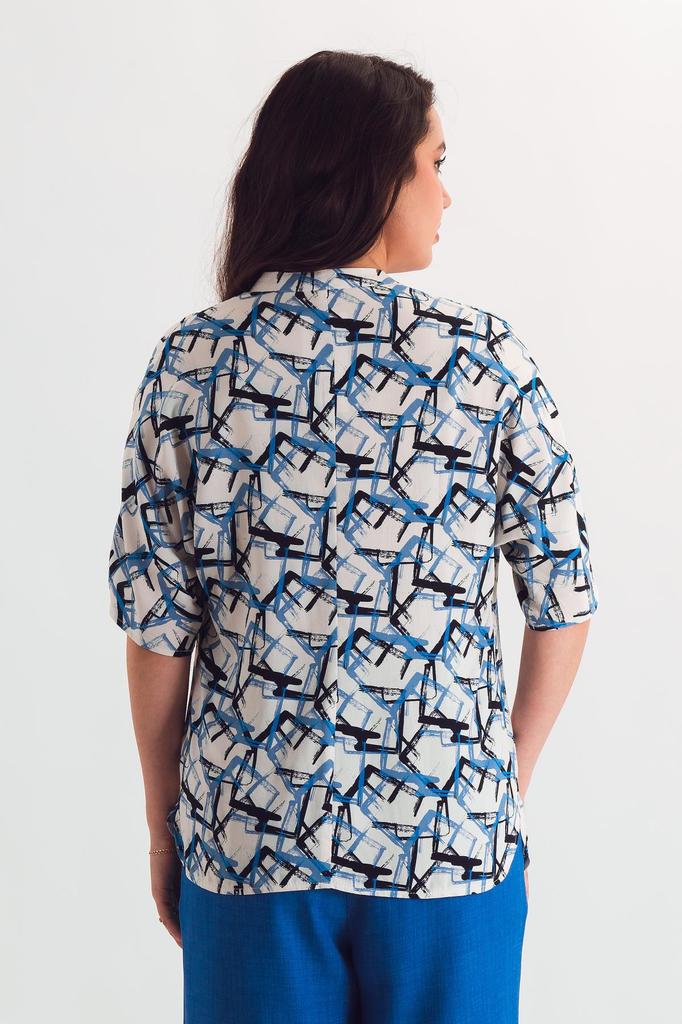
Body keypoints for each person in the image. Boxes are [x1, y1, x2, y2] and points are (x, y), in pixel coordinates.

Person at [107, 49, 599, 1024]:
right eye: (435, 164)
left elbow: (158, 627)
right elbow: (564, 596)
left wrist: (165, 822)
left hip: (252, 838)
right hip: (448, 839)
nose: (446, 196)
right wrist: (502, 778)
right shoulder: (482, 356)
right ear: (373, 173)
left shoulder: (192, 361)